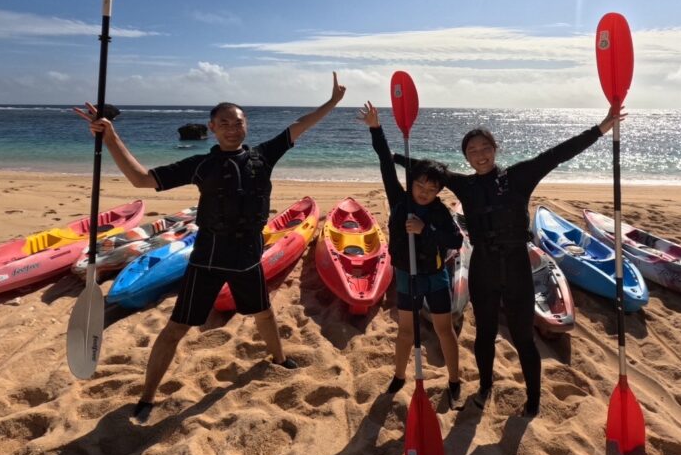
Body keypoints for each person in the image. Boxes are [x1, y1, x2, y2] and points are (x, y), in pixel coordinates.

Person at [75, 72, 347, 423]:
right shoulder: (201, 165)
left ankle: (278, 359)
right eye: (224, 123)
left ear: (246, 125)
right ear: (212, 128)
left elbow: (301, 124)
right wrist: (111, 138)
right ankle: (147, 396)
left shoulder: (264, 156)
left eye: (237, 122)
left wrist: (333, 102)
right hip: (207, 259)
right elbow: (141, 179)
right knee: (176, 328)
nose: (232, 128)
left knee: (264, 312)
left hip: (248, 256)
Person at [395, 107, 624, 418]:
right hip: (483, 267)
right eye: (472, 150)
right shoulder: (465, 185)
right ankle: (486, 386)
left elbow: (557, 154)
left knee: (523, 336)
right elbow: (425, 168)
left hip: (517, 265)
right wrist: (389, 153)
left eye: (484, 147)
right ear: (466, 156)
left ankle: (532, 400)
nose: (479, 154)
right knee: (485, 333)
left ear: (495, 148)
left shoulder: (519, 176)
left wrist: (600, 129)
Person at [358, 102, 464, 408]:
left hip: (435, 277)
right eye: (419, 184)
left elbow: (455, 239)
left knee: (444, 330)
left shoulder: (440, 212)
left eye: (431, 189)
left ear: (439, 191)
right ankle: (399, 375)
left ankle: (454, 380)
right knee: (405, 331)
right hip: (406, 275)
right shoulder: (399, 199)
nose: (423, 191)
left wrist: (425, 230)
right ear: (412, 182)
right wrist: (376, 129)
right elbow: (385, 164)